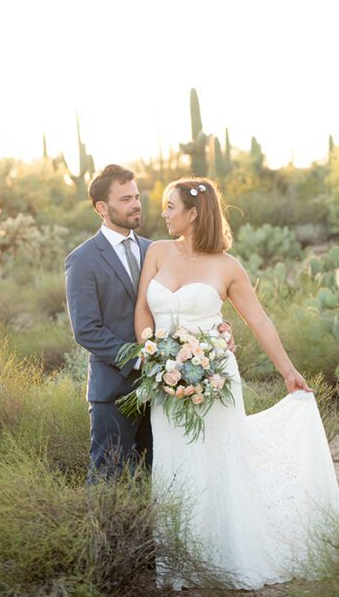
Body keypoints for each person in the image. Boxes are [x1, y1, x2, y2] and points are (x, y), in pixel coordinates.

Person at [136, 176, 339, 590]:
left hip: (215, 380)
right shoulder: (157, 252)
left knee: (220, 463)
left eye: (169, 206)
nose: (163, 214)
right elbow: (142, 311)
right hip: (164, 379)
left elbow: (259, 320)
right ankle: (184, 561)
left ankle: (230, 557)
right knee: (176, 466)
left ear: (193, 213)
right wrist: (153, 356)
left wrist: (288, 370)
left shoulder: (228, 267)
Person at [65, 165, 233, 481]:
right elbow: (86, 330)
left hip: (165, 389)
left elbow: (183, 302)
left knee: (160, 473)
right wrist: (144, 359)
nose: (136, 204)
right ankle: (103, 532)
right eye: (126, 198)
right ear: (102, 208)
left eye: (137, 196)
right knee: (108, 475)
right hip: (114, 390)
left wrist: (218, 327)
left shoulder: (155, 250)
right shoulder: (83, 260)